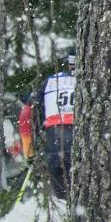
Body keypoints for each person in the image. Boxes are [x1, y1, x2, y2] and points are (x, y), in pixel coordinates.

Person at [33, 53, 76, 199]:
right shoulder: (91, 79)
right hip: (79, 136)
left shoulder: (50, 81)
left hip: (55, 139)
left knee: (61, 186)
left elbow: (33, 111)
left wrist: (37, 133)